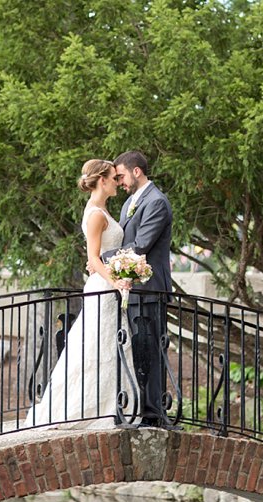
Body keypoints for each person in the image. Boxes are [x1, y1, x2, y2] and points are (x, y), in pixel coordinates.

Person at [24, 159, 134, 429]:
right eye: (113, 177)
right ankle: (90, 409)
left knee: (109, 345)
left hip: (109, 287)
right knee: (95, 348)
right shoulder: (96, 214)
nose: (118, 182)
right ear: (102, 180)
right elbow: (94, 259)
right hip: (104, 287)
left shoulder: (102, 210)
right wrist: (117, 281)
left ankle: (114, 404)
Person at [103, 151, 173, 428]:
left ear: (136, 172)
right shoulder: (130, 203)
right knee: (138, 350)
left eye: (120, 176)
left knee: (151, 350)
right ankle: (139, 408)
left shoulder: (157, 202)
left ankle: (154, 414)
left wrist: (101, 258)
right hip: (134, 291)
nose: (118, 182)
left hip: (151, 289)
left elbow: (141, 245)